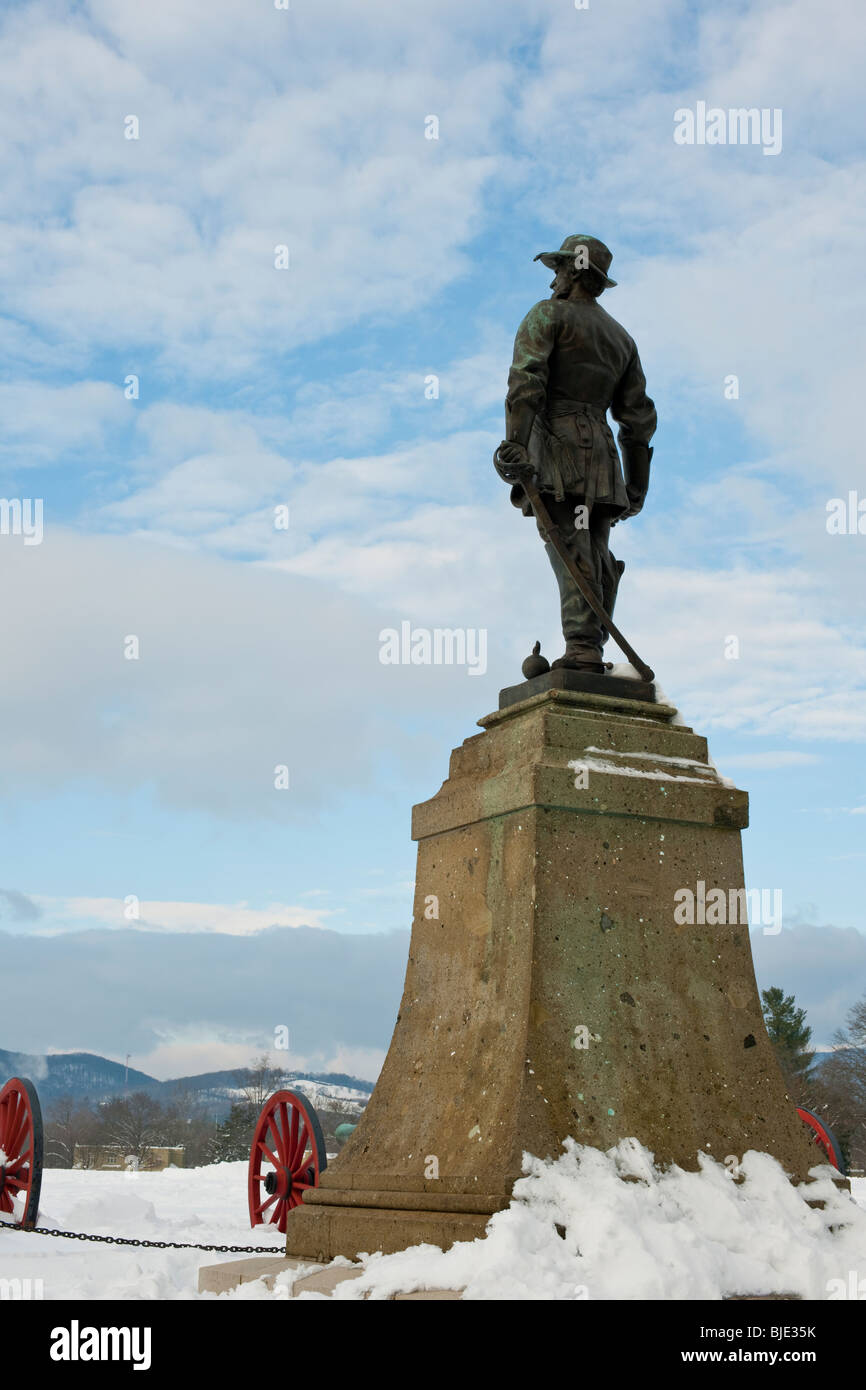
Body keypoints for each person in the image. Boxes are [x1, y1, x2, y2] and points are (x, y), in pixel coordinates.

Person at [496, 234, 657, 673]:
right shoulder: (621, 338)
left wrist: (514, 442)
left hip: (556, 447)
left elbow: (526, 383)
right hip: (603, 456)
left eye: (559, 271)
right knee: (593, 546)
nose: (553, 282)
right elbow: (638, 419)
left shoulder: (547, 315)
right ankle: (591, 643)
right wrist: (637, 484)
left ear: (573, 273)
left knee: (568, 540)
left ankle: (584, 647)